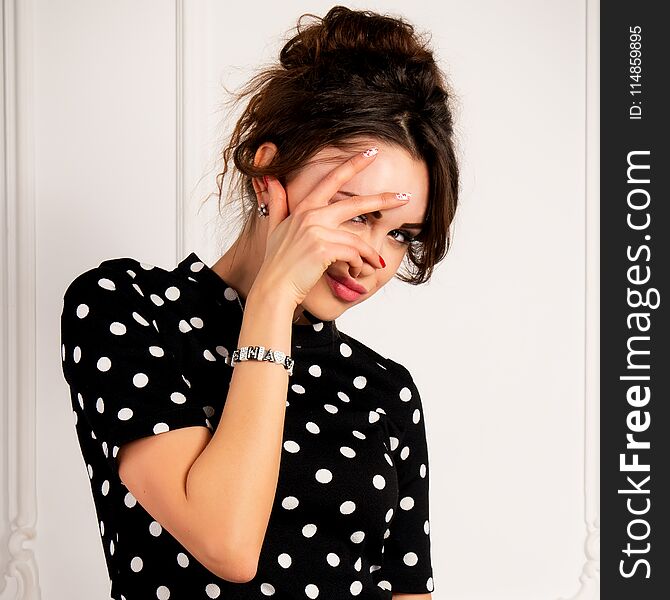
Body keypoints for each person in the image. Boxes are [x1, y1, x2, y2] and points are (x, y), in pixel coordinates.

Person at [60, 5, 459, 599]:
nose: (377, 255)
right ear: (268, 172)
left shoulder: (383, 387)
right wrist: (273, 297)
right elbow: (226, 543)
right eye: (358, 214)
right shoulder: (127, 308)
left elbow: (409, 590)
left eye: (401, 233)